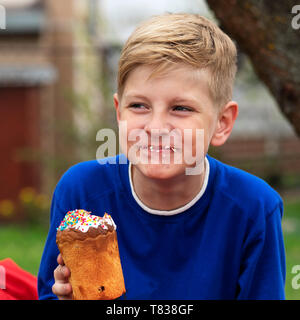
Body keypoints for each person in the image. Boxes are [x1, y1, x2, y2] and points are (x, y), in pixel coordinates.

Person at [38, 13, 286, 300]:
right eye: (139, 105)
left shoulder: (253, 208)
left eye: (181, 108)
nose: (155, 128)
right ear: (119, 112)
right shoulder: (82, 190)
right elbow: (48, 293)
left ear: (222, 122)